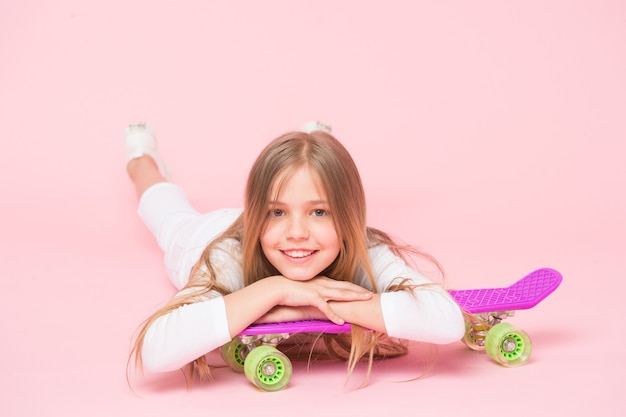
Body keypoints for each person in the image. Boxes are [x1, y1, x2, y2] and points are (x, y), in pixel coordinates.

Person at [126, 121, 465, 386]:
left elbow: (447, 321)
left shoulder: (364, 248)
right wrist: (276, 291)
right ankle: (141, 156)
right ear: (260, 214)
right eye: (278, 212)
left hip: (269, 237)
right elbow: (157, 351)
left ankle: (312, 140)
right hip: (205, 235)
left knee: (309, 164)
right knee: (164, 208)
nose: (297, 232)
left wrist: (311, 302)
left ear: (348, 217)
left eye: (319, 212)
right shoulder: (225, 256)